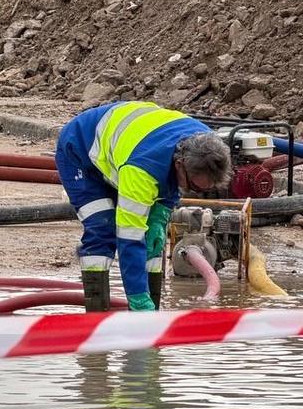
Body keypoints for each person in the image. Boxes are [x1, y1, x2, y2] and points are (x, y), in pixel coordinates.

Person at [55, 101, 231, 312]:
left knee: (153, 240)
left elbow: (171, 183)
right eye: (193, 186)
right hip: (80, 152)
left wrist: (161, 213)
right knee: (103, 229)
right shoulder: (143, 171)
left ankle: (152, 310)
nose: (194, 192)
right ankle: (96, 313)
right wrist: (138, 299)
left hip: (129, 148)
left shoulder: (207, 144)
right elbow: (129, 238)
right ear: (180, 165)